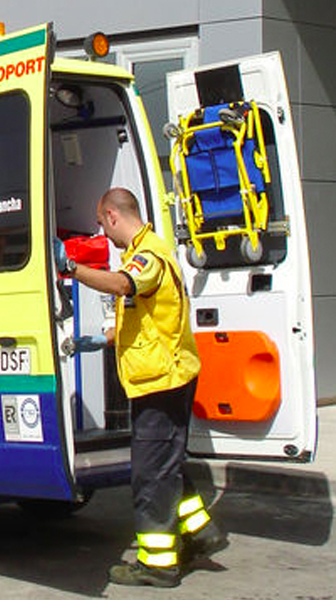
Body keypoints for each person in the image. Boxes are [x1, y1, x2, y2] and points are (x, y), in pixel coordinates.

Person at [55, 187, 228, 587]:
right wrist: (105, 339)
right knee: (165, 464)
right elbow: (148, 317)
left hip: (162, 381)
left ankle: (158, 564)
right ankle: (201, 533)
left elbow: (122, 286)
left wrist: (72, 269)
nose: (103, 230)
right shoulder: (148, 251)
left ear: (113, 216)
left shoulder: (146, 256)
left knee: (150, 474)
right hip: (161, 377)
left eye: (102, 222)